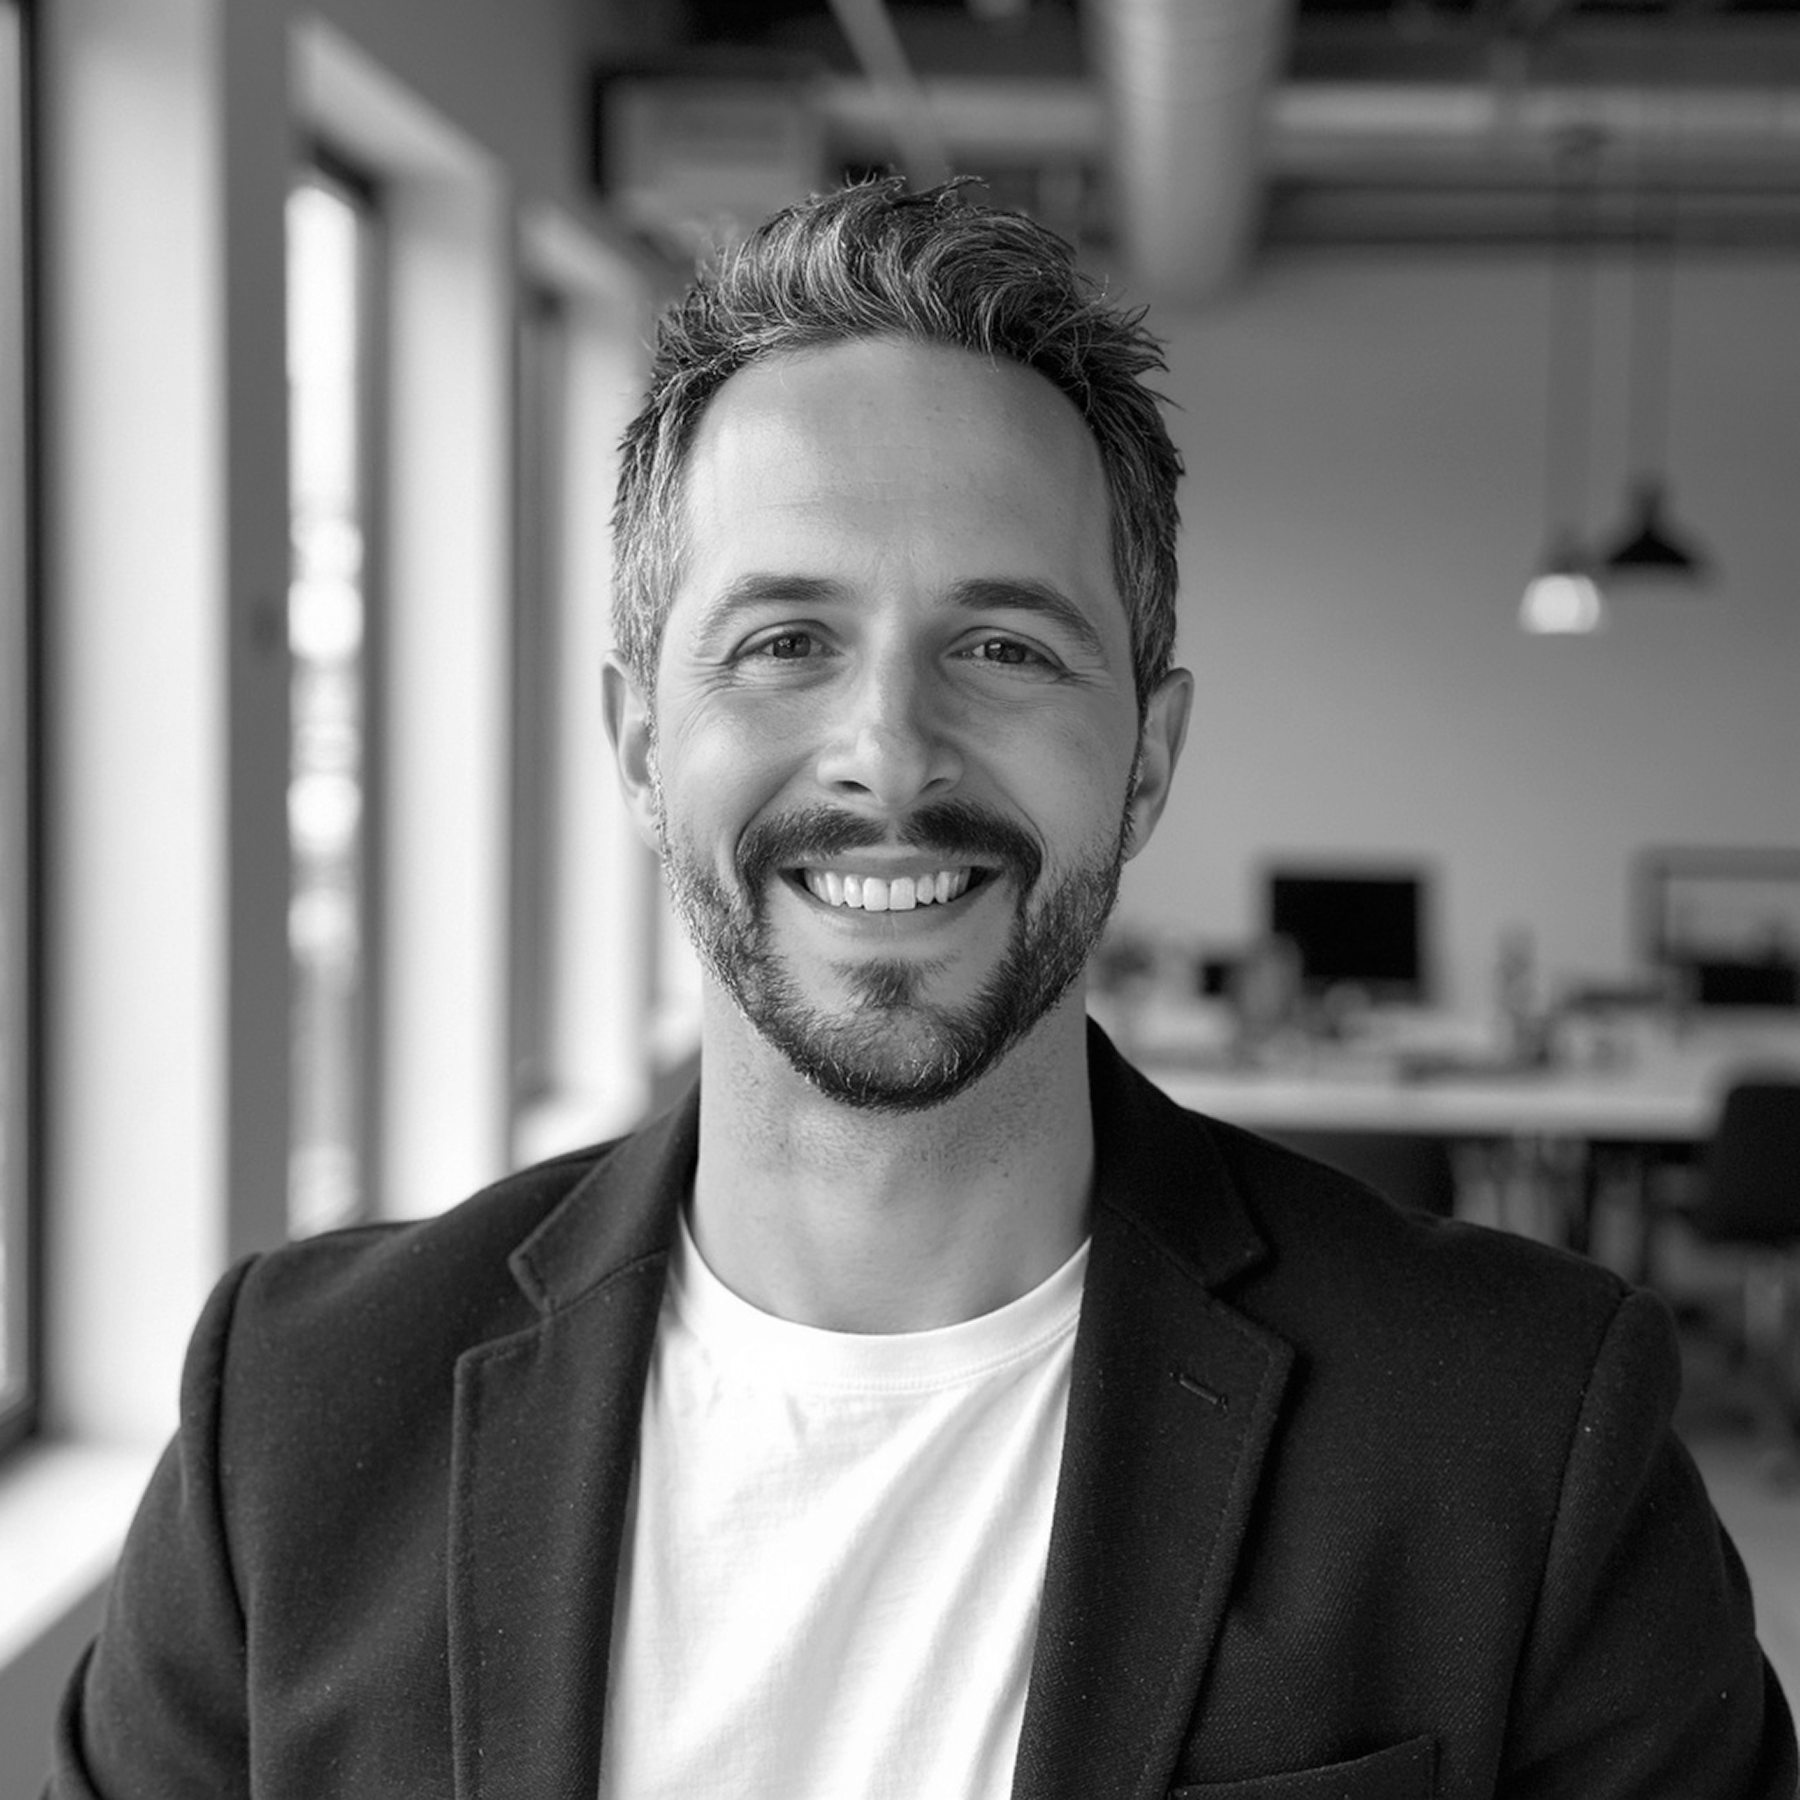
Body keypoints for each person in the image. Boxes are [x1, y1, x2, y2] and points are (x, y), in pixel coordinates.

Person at [49, 180, 1796, 1800]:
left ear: (1147, 757)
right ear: (640, 741)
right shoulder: (292, 1422)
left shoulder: (1523, 1436)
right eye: (783, 643)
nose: (888, 752)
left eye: (1004, 646)